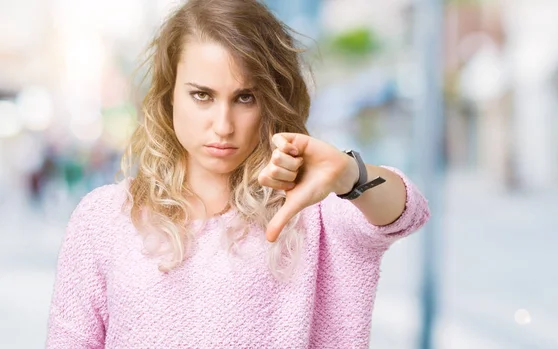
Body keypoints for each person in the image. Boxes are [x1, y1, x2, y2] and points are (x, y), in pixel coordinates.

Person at [46, 0, 430, 348]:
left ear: (270, 100)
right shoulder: (103, 219)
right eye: (202, 96)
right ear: (169, 94)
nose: (223, 125)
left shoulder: (311, 208)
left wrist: (349, 174)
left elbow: (407, 213)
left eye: (245, 97)